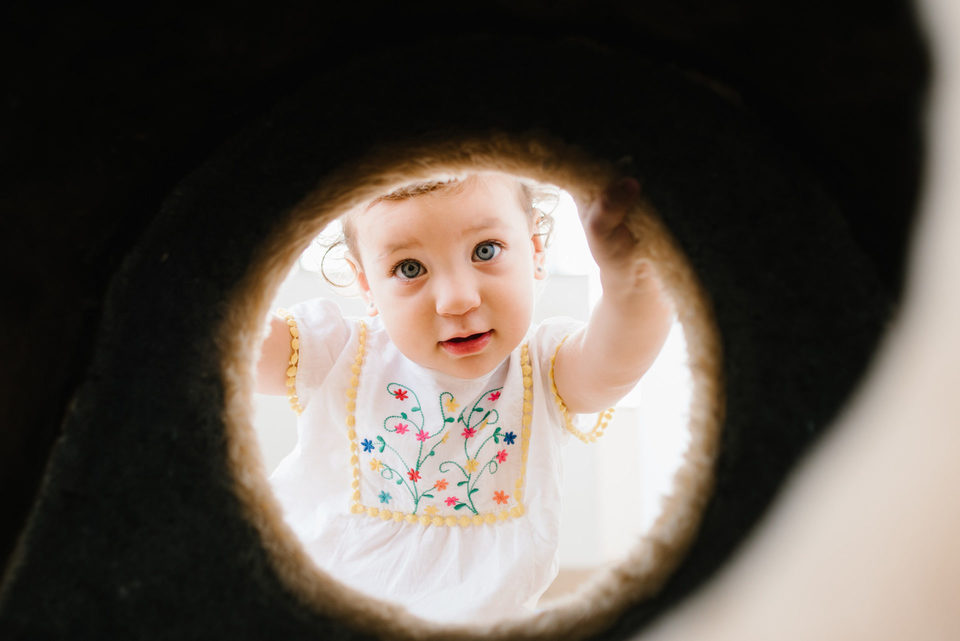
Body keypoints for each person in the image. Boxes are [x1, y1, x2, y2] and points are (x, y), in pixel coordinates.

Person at [255, 172, 674, 624]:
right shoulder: (336, 351)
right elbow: (229, 344)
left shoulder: (543, 367)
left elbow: (614, 364)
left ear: (536, 251)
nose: (456, 300)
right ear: (367, 286)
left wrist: (635, 282)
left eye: (485, 250)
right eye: (410, 268)